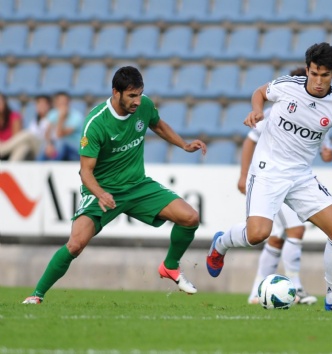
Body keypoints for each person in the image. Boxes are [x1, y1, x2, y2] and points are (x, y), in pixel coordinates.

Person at [207, 43, 332, 312]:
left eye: (325, 75)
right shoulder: (288, 85)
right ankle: (220, 243)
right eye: (314, 74)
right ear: (307, 69)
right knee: (257, 235)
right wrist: (256, 110)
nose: (319, 81)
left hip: (300, 175)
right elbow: (259, 92)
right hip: (267, 170)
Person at [23, 66, 207, 304]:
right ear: (116, 93)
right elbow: (85, 172)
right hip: (104, 190)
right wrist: (100, 193)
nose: (138, 101)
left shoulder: (144, 106)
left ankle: (170, 266)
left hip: (137, 186)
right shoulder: (96, 123)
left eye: (140, 94)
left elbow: (158, 125)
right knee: (76, 244)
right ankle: (36, 295)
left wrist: (184, 145)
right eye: (132, 95)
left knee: (190, 217)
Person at [240, 107, 332, 305]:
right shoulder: (278, 111)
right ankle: (296, 285)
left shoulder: (320, 117)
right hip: (272, 179)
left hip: (296, 182)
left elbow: (325, 151)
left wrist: (327, 154)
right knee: (295, 230)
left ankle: (256, 292)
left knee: (276, 238)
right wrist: (243, 175)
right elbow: (251, 139)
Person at [37, 91, 83, 161]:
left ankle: (53, 164)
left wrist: (61, 119)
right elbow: (47, 133)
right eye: (60, 102)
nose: (63, 104)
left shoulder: (77, 117)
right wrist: (49, 145)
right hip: (58, 146)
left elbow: (59, 134)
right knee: (44, 146)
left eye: (65, 102)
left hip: (75, 149)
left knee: (60, 143)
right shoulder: (52, 114)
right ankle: (38, 166)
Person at [0, 93, 24, 161]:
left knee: (22, 148)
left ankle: (12, 168)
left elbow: (17, 138)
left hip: (11, 149)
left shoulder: (14, 116)